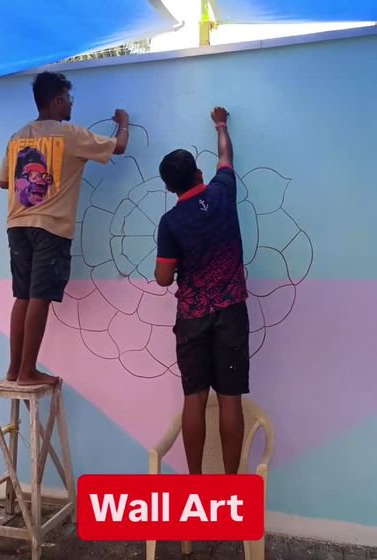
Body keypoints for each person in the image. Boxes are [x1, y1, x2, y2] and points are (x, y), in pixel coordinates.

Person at [0, 71, 130, 386]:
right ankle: (28, 371)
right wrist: (124, 122)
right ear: (57, 101)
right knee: (40, 296)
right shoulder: (70, 135)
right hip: (51, 226)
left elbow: (4, 181)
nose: (71, 104)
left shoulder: (17, 137)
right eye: (69, 98)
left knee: (23, 295)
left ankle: (14, 369)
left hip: (18, 224)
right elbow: (119, 147)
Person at [155, 107, 249, 474]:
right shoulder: (223, 192)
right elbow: (226, 156)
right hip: (231, 312)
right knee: (230, 399)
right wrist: (221, 125)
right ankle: (231, 485)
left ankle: (196, 484)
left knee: (194, 399)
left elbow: (164, 278)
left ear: (169, 188)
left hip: (193, 318)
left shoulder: (170, 222)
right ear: (198, 174)